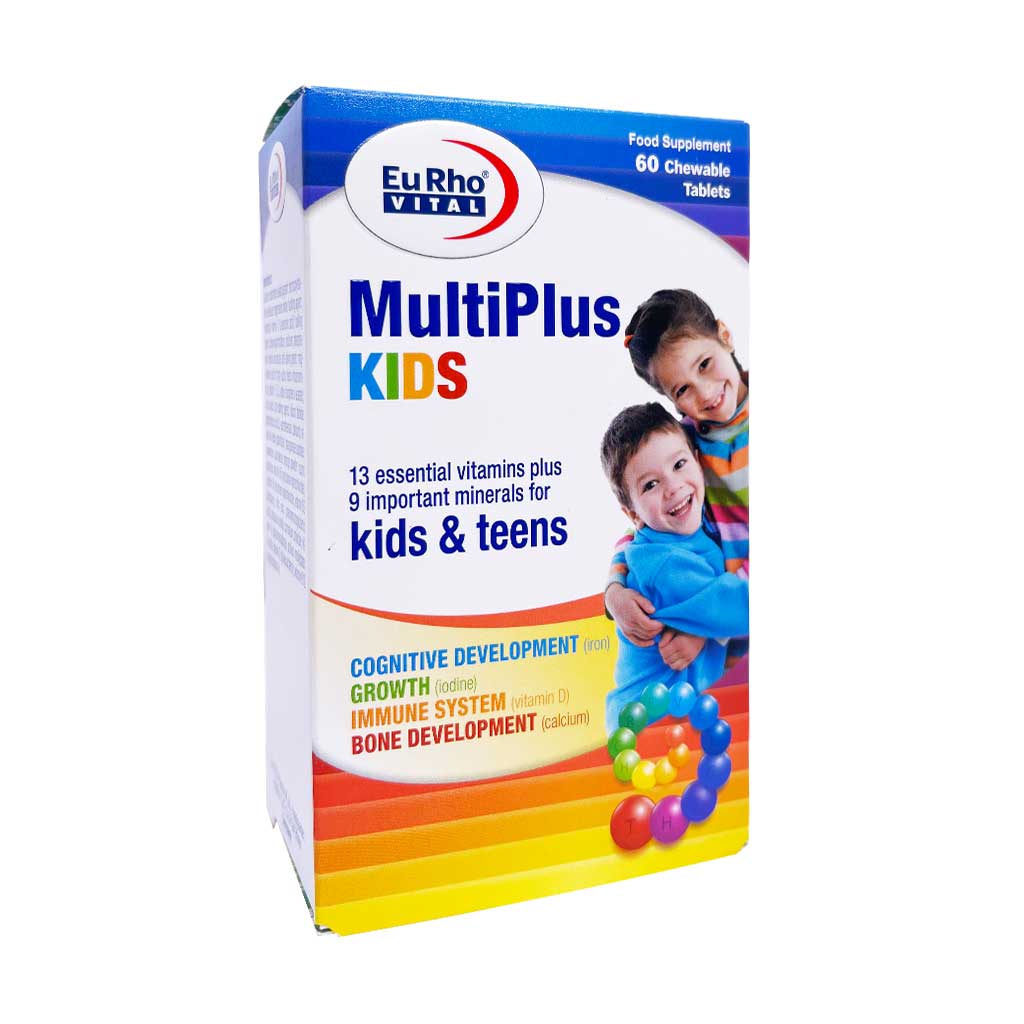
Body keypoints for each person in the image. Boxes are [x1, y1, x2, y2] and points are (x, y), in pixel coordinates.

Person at [605, 289, 749, 672]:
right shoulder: (682, 447)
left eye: (704, 364)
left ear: (725, 335)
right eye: (682, 389)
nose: (706, 393)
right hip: (726, 655)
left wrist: (705, 627)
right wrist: (614, 591)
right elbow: (643, 528)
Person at [600, 403, 748, 733]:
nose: (673, 487)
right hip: (648, 726)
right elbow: (739, 606)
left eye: (679, 465)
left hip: (678, 716)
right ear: (633, 513)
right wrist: (614, 591)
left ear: (696, 459)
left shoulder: (693, 519)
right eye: (650, 485)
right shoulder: (666, 566)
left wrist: (701, 632)